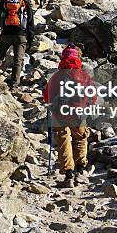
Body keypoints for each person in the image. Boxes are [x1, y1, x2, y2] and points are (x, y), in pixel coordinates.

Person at [43, 44, 94, 188]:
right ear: (78, 58)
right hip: (78, 114)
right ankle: (80, 171)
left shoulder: (56, 76)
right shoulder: (83, 75)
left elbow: (47, 97)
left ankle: (69, 175)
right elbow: (92, 96)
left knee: (64, 141)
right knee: (80, 140)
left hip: (60, 114)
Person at [0, 0, 34, 90]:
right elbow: (30, 23)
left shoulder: (5, 2)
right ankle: (14, 85)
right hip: (21, 35)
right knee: (18, 60)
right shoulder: (24, 3)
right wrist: (30, 39)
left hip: (6, 35)